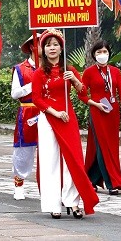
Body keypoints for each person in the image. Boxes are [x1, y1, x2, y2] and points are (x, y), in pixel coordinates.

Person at [30, 29, 98, 218]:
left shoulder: (69, 70)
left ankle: (73, 202)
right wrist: (55, 113)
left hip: (68, 118)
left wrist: (75, 79)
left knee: (73, 161)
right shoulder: (38, 73)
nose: (52, 48)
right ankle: (54, 204)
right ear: (43, 49)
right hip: (49, 118)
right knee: (50, 161)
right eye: (48, 45)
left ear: (61, 48)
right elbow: (37, 98)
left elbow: (83, 92)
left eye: (55, 44)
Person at [80, 40, 121, 195]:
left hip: (112, 113)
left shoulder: (115, 71)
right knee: (102, 146)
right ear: (94, 55)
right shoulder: (89, 72)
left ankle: (91, 179)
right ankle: (111, 182)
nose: (102, 55)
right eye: (99, 52)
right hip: (97, 112)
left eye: (105, 52)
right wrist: (94, 103)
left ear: (109, 53)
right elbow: (81, 94)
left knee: (110, 147)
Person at [10, 33, 42, 200]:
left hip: (48, 112)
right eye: (41, 44)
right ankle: (19, 184)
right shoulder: (20, 69)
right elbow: (15, 93)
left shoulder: (53, 68)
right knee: (24, 150)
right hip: (28, 112)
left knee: (48, 150)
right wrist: (32, 85)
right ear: (32, 47)